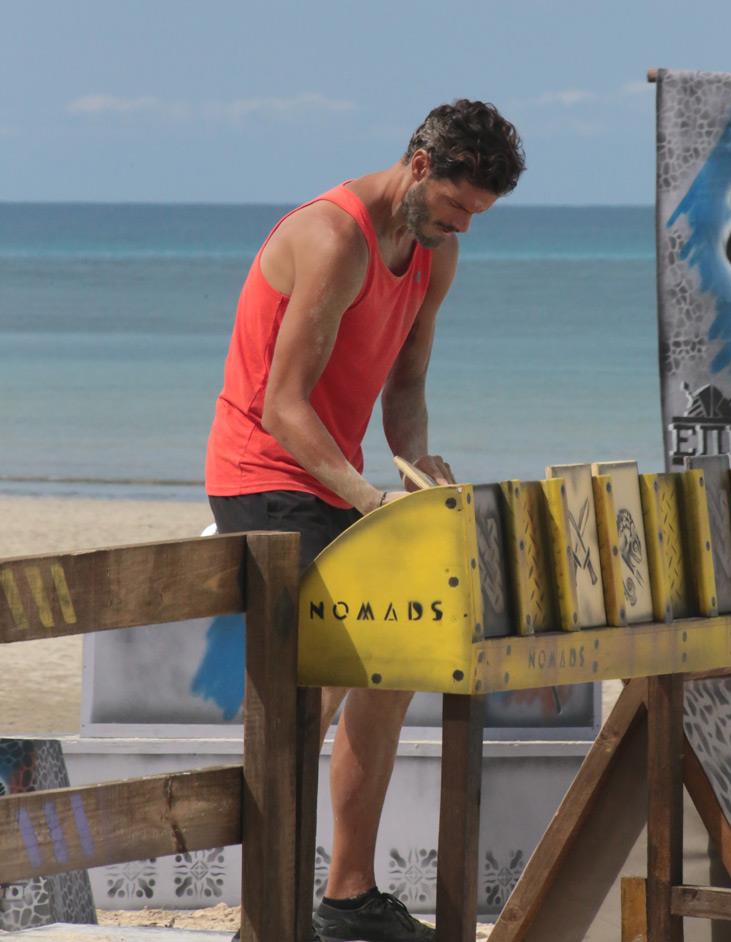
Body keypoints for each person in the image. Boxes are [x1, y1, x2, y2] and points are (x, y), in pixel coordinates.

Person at [205, 99, 525, 942]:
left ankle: (348, 899)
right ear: (419, 166)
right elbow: (282, 406)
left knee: (393, 666)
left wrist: (415, 470)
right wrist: (369, 497)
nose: (462, 225)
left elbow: (406, 384)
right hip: (263, 478)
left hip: (335, 479)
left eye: (476, 214)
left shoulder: (436, 253)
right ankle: (265, 917)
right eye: (455, 205)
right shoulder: (332, 237)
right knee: (311, 693)